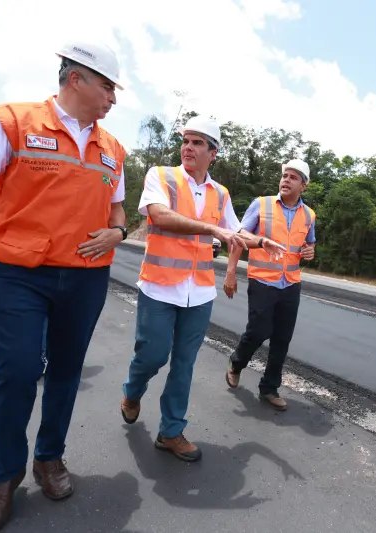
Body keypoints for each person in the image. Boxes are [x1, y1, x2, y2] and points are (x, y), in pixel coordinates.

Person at [0, 40, 128, 533]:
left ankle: (49, 458)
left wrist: (117, 230)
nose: (113, 99)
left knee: (66, 371)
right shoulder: (11, 123)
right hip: (17, 274)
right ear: (75, 78)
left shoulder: (113, 148)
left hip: (84, 277)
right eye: (107, 86)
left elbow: (118, 209)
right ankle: (4, 478)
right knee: (15, 373)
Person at [119, 116, 284, 462]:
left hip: (199, 294)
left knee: (184, 363)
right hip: (160, 288)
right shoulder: (161, 176)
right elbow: (160, 217)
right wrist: (215, 230)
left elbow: (236, 232)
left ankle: (171, 431)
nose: (188, 147)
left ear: (213, 153)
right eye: (186, 141)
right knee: (151, 356)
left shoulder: (220, 193)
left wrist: (262, 240)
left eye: (197, 143)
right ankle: (132, 393)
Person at [224, 159, 317, 411]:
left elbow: (309, 246)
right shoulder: (262, 204)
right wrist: (231, 272)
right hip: (263, 280)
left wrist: (309, 252)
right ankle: (237, 362)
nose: (286, 179)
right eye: (285, 175)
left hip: (291, 284)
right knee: (259, 329)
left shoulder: (309, 215)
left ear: (303, 186)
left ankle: (269, 388)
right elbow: (239, 237)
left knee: (282, 338)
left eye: (293, 177)